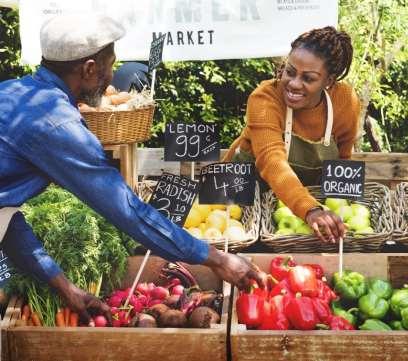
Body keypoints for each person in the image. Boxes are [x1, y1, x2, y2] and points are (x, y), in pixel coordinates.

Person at [0, 13, 264, 325]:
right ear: (88, 69)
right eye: (110, 64)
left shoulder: (11, 92)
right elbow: (129, 212)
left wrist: (65, 287)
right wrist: (217, 259)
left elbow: (6, 217)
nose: (113, 75)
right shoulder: (57, 125)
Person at [224, 26, 360, 243]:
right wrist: (310, 210)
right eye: (290, 72)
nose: (294, 84)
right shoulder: (265, 98)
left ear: (329, 81)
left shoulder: (345, 101)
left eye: (309, 78)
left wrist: (342, 209)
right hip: (238, 202)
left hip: (294, 210)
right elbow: (271, 160)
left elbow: (343, 160)